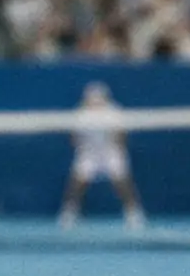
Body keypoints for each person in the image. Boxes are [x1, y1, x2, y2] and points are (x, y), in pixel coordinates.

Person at [59, 81, 148, 230]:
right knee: (77, 182)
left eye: (99, 99)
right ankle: (69, 213)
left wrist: (116, 148)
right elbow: (73, 137)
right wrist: (82, 148)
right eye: (92, 99)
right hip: (88, 152)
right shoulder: (81, 114)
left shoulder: (114, 112)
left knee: (122, 182)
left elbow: (121, 135)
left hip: (110, 151)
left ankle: (134, 213)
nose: (96, 103)